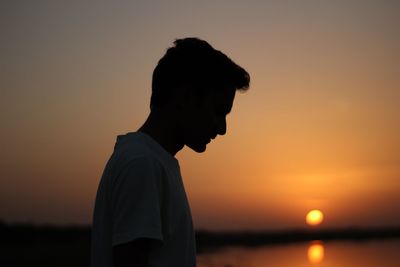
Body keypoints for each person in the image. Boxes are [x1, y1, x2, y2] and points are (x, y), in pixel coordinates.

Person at [91, 37, 250, 267]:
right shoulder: (142, 164)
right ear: (185, 97)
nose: (222, 128)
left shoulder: (152, 162)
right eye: (218, 111)